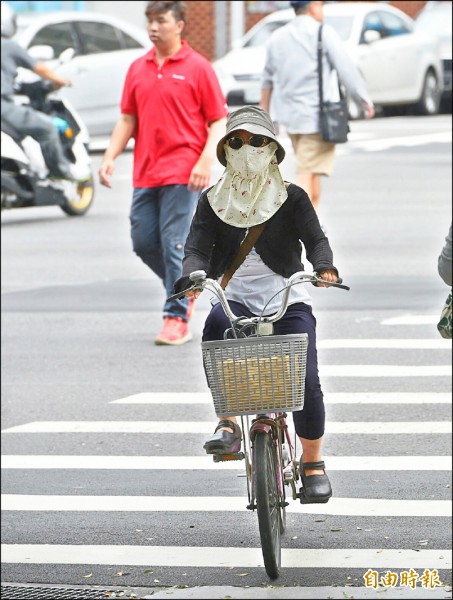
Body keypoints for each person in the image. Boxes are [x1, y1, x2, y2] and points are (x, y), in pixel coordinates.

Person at [174, 106, 342, 504]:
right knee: (214, 331)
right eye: (237, 141)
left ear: (273, 150)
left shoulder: (292, 196)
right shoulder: (212, 200)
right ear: (225, 151)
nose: (247, 149)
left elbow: (316, 240)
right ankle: (228, 425)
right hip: (234, 298)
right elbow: (196, 248)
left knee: (306, 378)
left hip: (286, 297)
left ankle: (312, 463)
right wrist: (193, 276)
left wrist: (324, 267)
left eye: (257, 141)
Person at [99, 0, 227, 346]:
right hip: (146, 170)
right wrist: (110, 155)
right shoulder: (138, 68)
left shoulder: (198, 67)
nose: (153, 27)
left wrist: (204, 161)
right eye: (150, 21)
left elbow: (218, 119)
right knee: (143, 242)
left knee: (174, 244)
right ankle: (186, 285)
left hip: (184, 170)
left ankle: (176, 318)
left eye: (161, 21)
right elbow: (128, 118)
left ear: (179, 25)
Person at [260, 0, 375, 214]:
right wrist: (364, 99)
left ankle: (313, 222)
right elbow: (346, 68)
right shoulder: (323, 33)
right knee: (306, 171)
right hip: (316, 117)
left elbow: (267, 82)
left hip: (290, 118)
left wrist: (264, 116)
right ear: (313, 6)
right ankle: (298, 223)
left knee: (311, 169)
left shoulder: (277, 38)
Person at [1, 1, 87, 181]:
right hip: (4, 107)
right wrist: (58, 79)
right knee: (47, 128)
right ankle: (62, 171)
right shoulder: (9, 46)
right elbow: (38, 67)